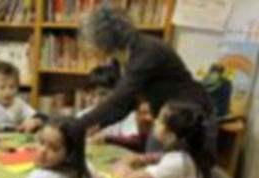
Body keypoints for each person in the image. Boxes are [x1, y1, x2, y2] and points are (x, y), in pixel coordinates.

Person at [73, 5, 214, 152]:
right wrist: (99, 125)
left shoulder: (146, 52)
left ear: (103, 39)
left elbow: (118, 99)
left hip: (191, 118)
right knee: (154, 161)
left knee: (178, 168)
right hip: (169, 118)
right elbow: (126, 104)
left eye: (89, 42)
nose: (88, 48)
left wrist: (76, 125)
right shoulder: (120, 59)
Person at [82, 64, 153, 152]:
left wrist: (107, 139)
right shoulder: (83, 115)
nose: (96, 100)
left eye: (103, 94)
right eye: (92, 95)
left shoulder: (125, 115)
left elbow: (132, 141)